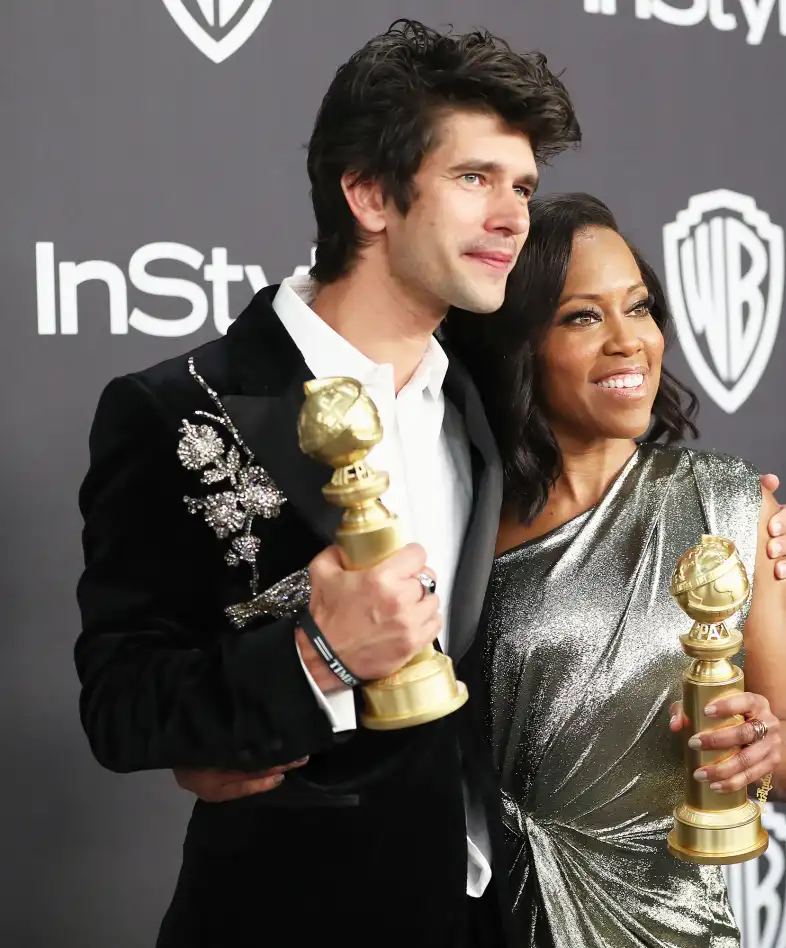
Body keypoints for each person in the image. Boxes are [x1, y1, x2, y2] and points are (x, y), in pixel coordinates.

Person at [74, 20, 580, 948]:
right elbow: (122, 705)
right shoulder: (179, 408)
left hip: (490, 914)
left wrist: (753, 532)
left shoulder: (480, 398)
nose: (513, 216)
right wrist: (319, 658)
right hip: (289, 915)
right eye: (474, 178)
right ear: (368, 194)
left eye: (521, 187)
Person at [441, 192, 786, 947]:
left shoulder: (732, 505)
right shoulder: (455, 513)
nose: (629, 341)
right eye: (583, 316)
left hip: (673, 924)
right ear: (519, 345)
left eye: (638, 307)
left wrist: (766, 749)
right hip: (486, 913)